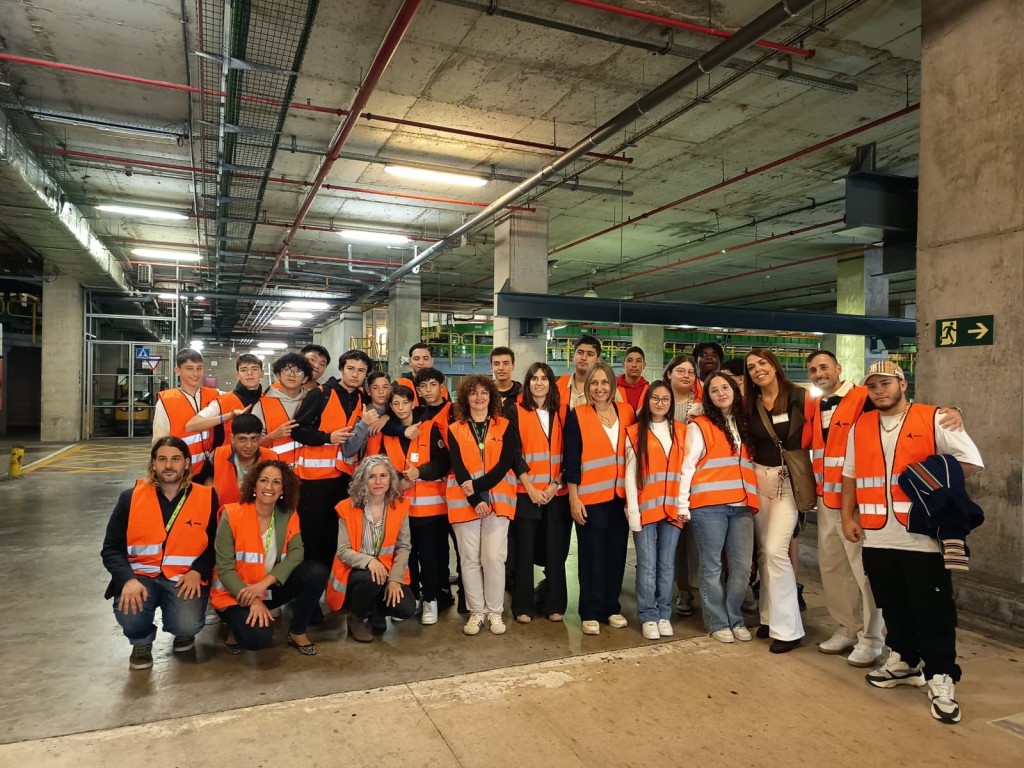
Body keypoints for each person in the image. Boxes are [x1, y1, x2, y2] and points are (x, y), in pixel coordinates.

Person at [842, 360, 982, 726]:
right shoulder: (862, 425)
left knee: (932, 610)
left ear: (902, 384)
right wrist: (846, 515)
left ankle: (941, 676)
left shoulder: (934, 418)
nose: (879, 391)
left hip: (921, 534)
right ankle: (904, 660)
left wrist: (927, 479)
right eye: (872, 386)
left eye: (885, 383)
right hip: (875, 532)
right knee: (893, 604)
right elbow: (851, 474)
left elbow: (970, 461)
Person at [807, 350, 964, 665]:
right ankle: (847, 628)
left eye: (824, 366)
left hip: (864, 504)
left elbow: (901, 410)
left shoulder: (862, 396)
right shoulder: (815, 404)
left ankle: (871, 637)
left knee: (865, 574)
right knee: (834, 569)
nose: (818, 373)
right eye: (812, 369)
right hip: (828, 499)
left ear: (838, 368)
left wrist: (953, 411)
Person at [101, 437, 219, 670]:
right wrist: (127, 580)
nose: (168, 465)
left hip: (183, 577)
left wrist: (198, 571)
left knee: (187, 624)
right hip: (140, 576)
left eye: (175, 459)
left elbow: (215, 544)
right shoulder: (130, 497)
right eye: (162, 459)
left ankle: (183, 633)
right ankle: (141, 641)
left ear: (187, 463)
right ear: (153, 464)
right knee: (130, 613)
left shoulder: (206, 497)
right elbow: (111, 548)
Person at [211, 460, 328, 655]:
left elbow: (297, 553)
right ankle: (234, 624)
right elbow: (224, 569)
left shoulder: (287, 514)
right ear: (254, 484)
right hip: (234, 593)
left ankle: (297, 631)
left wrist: (264, 584)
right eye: (264, 480)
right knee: (258, 638)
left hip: (266, 589)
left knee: (316, 572)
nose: (269, 487)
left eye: (276, 482)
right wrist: (253, 600)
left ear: (283, 489)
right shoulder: (231, 515)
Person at [744, 347, 813, 653]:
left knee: (776, 551)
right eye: (751, 367)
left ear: (774, 365)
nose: (758, 369)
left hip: (788, 481)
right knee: (762, 553)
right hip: (759, 479)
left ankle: (789, 629)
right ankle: (769, 618)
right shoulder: (751, 403)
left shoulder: (800, 396)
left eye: (762, 363)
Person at [680, 372, 758, 644]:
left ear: (735, 391)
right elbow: (687, 466)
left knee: (742, 567)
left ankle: (734, 618)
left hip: (742, 506)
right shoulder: (698, 425)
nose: (722, 393)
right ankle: (717, 622)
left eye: (726, 387)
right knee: (711, 566)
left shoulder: (745, 424)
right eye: (714, 390)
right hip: (708, 506)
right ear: (708, 397)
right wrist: (682, 504)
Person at [563, 361, 636, 635]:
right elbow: (571, 458)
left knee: (616, 555)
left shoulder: (627, 412)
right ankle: (590, 611)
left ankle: (611, 608)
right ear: (587, 387)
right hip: (590, 499)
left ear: (612, 385)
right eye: (594, 383)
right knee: (591, 556)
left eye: (604, 382)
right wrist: (573, 497)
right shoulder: (578, 414)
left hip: (620, 499)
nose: (600, 388)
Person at [446, 375, 521, 636]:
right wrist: (475, 499)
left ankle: (495, 612)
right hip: (465, 502)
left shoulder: (505, 425)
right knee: (468, 560)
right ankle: (477, 611)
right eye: (474, 393)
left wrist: (479, 489)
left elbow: (505, 463)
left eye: (484, 393)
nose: (479, 397)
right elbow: (457, 465)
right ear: (466, 398)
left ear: (492, 396)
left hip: (498, 500)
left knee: (493, 559)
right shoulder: (455, 428)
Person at [378, 384, 451, 626]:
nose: (400, 408)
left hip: (430, 509)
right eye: (395, 404)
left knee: (430, 557)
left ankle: (431, 599)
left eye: (404, 403)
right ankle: (415, 597)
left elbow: (443, 462)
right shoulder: (388, 435)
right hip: (400, 509)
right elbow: (382, 467)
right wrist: (398, 481)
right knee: (406, 557)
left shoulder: (429, 428)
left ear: (413, 403)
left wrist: (418, 473)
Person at [327, 455, 416, 642]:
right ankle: (356, 618)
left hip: (386, 571)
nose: (378, 481)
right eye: (372, 476)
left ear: (391, 479)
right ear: (362, 480)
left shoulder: (399, 507)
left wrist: (395, 580)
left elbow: (403, 547)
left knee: (407, 608)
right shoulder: (346, 508)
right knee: (371, 579)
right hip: (354, 571)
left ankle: (377, 612)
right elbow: (343, 551)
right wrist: (370, 561)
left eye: (383, 476)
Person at [625, 381, 684, 640]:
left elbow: (686, 472)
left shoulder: (681, 431)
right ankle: (648, 615)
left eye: (665, 399)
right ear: (647, 401)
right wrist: (633, 512)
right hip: (646, 510)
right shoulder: (635, 432)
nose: (660, 403)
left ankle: (663, 613)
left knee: (667, 565)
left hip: (672, 509)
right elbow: (629, 475)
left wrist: (683, 504)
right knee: (648, 566)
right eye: (655, 398)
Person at [511, 362, 568, 623]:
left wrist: (555, 484)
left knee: (555, 552)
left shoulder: (564, 413)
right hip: (526, 493)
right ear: (527, 382)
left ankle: (554, 604)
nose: (539, 383)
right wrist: (531, 488)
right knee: (524, 552)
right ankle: (523, 606)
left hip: (557, 494)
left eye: (544, 378)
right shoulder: (515, 411)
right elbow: (512, 453)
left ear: (551, 383)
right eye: (534, 378)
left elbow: (572, 453)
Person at [663, 353, 701, 617]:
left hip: (697, 483)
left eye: (690, 372)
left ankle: (704, 590)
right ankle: (683, 590)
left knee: (699, 542)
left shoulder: (702, 406)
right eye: (681, 371)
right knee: (673, 542)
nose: (686, 375)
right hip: (665, 483)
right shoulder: (657, 402)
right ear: (669, 374)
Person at [152, 349, 219, 475]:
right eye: (189, 368)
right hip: (182, 472)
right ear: (178, 371)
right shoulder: (166, 402)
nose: (195, 373)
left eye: (199, 368)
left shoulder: (215, 395)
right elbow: (158, 442)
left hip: (210, 469)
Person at [185, 353, 265, 450]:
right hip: (228, 460)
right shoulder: (222, 401)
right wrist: (227, 416)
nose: (249, 373)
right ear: (237, 375)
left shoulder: (270, 400)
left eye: (255, 369)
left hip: (263, 460)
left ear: (262, 373)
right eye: (244, 370)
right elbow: (191, 426)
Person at [252, 352, 311, 467]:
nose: (292, 375)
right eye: (287, 370)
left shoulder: (313, 401)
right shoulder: (262, 405)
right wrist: (272, 436)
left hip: (307, 473)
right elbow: (251, 444)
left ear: (305, 378)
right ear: (278, 375)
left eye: (298, 371)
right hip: (274, 471)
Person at [208, 413, 276, 509]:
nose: (249, 445)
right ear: (232, 439)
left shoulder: (272, 458)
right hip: (223, 517)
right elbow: (205, 484)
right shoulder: (217, 455)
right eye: (242, 439)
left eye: (254, 439)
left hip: (260, 517)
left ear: (261, 437)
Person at [556, 335, 622, 424]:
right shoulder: (558, 386)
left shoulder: (608, 390)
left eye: (590, 354)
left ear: (598, 360)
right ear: (573, 356)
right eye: (580, 352)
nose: (584, 358)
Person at [343, 370, 392, 460]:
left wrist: (386, 417)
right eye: (375, 388)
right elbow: (347, 450)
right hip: (366, 469)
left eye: (385, 387)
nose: (381, 391)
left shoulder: (399, 412)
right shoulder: (360, 415)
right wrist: (364, 424)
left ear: (390, 389)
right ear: (368, 391)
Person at [617, 345, 649, 411]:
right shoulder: (613, 388)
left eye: (638, 361)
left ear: (644, 365)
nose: (634, 365)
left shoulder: (649, 390)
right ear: (623, 364)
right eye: (629, 361)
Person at [490, 346, 521, 412]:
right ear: (491, 367)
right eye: (496, 364)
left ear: (513, 366)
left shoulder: (524, 394)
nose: (501, 368)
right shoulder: (484, 394)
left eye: (506, 363)